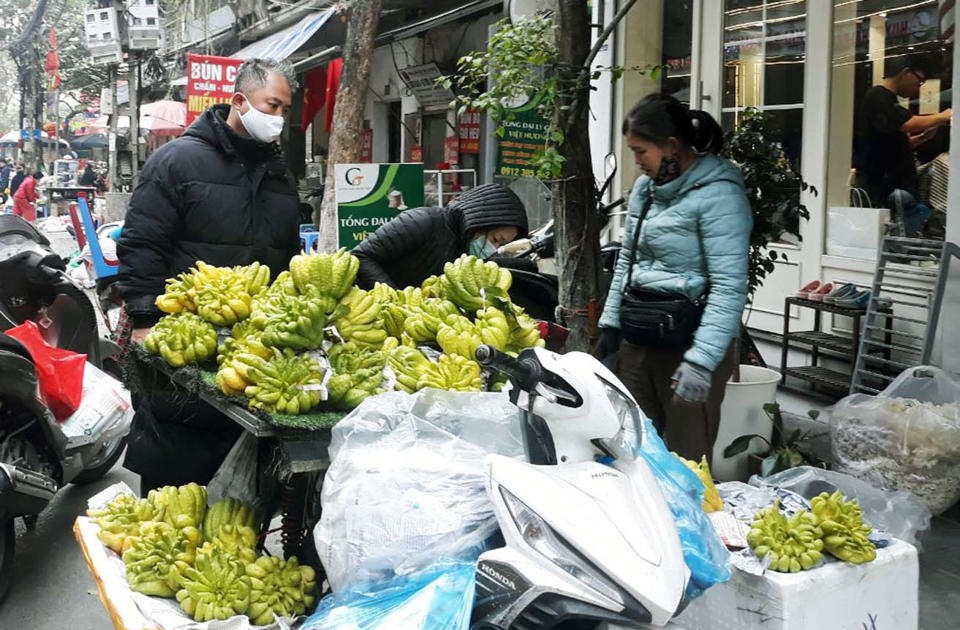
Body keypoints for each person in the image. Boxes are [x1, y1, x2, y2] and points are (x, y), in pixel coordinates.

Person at [116, 58, 300, 494]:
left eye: (285, 110)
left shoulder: (279, 174)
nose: (278, 119)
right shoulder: (177, 161)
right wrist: (144, 319)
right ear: (239, 101)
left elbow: (287, 256)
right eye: (271, 106)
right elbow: (142, 243)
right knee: (174, 481)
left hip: (251, 348)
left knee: (239, 492)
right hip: (183, 344)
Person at [594, 94, 752, 463]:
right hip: (640, 336)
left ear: (672, 147)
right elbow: (628, 260)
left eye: (641, 151)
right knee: (630, 453)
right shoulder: (646, 192)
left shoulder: (720, 196)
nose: (636, 161)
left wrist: (702, 360)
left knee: (685, 463)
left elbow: (729, 285)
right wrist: (610, 328)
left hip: (690, 343)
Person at [352, 183, 528, 289]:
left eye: (500, 245)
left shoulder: (464, 253)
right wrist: (393, 297)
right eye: (496, 240)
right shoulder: (422, 221)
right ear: (480, 221)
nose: (493, 249)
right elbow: (361, 256)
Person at [854, 55, 951, 208]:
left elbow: (892, 144)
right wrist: (943, 116)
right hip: (883, 186)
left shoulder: (889, 100)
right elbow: (906, 123)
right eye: (920, 80)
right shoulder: (877, 97)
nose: (919, 86)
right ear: (906, 73)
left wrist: (923, 137)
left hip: (895, 184)